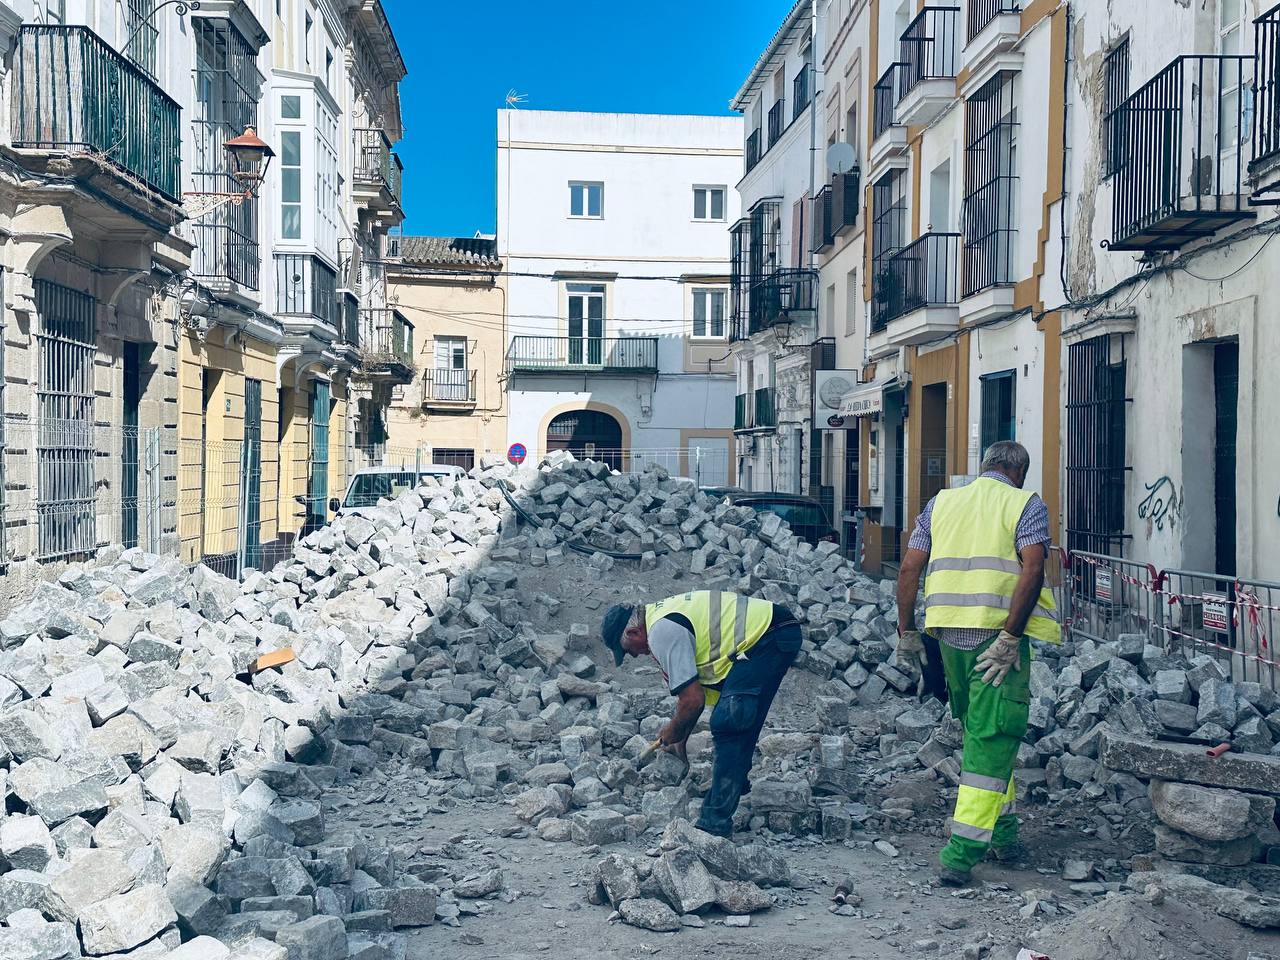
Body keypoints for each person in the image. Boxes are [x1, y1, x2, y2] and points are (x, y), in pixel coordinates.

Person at [894, 440, 1060, 886]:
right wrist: (1011, 636)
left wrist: (906, 629)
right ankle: (962, 852)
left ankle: (1003, 832)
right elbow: (1033, 568)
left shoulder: (942, 501)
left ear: (984, 466)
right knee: (994, 732)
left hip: (947, 634)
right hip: (995, 638)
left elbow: (910, 567)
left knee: (978, 731)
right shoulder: (1025, 503)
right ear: (1018, 472)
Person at [600, 591, 801, 837]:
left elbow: (692, 701)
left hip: (768, 634)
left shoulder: (661, 632)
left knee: (729, 721)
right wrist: (680, 738)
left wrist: (672, 730)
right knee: (739, 717)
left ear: (633, 633)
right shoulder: (663, 619)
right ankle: (736, 785)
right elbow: (692, 696)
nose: (633, 655)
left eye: (628, 650)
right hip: (775, 632)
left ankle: (713, 825)